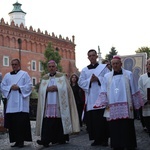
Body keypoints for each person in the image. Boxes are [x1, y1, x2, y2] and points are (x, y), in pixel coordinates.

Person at [94, 55, 143, 150]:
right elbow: (103, 90)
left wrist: (135, 102)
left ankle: (129, 144)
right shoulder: (107, 76)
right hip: (112, 106)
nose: (115, 65)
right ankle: (116, 145)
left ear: (121, 64)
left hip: (126, 104)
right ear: (111, 65)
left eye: (117, 63)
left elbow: (134, 88)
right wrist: (103, 102)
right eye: (113, 64)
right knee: (114, 127)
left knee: (126, 126)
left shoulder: (129, 74)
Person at [36, 60, 80, 147]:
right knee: (48, 121)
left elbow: (67, 89)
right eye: (50, 67)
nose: (51, 68)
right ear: (47, 68)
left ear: (56, 68)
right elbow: (41, 90)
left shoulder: (62, 77)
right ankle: (45, 140)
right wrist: (47, 89)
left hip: (59, 103)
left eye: (53, 66)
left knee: (59, 120)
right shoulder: (44, 78)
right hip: (48, 103)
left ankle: (61, 138)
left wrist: (57, 88)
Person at [78, 49, 110, 146]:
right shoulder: (84, 70)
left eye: (93, 55)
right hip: (91, 98)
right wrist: (90, 81)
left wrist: (98, 79)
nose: (92, 57)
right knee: (93, 121)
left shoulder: (103, 68)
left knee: (102, 120)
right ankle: (96, 139)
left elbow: (108, 78)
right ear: (88, 57)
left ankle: (104, 140)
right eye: (90, 56)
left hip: (101, 97)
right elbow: (80, 82)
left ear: (96, 56)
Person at [1, 58, 32, 148]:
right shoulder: (7, 75)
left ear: (19, 65)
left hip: (21, 104)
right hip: (11, 103)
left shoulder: (24, 74)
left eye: (16, 64)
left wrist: (19, 88)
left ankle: (21, 141)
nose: (14, 66)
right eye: (13, 64)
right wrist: (10, 87)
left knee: (20, 123)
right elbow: (2, 86)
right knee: (13, 124)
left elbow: (29, 86)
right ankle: (15, 140)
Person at [138, 58, 150, 136]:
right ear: (146, 66)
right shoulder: (142, 77)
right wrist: (146, 99)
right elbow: (140, 90)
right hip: (147, 106)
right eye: (149, 64)